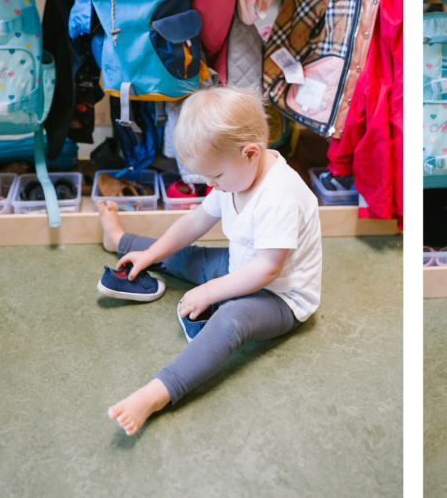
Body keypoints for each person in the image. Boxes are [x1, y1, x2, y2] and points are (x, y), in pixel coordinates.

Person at [98, 86, 322, 436]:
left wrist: (210, 292)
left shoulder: (280, 197)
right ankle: (119, 239)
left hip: (281, 297)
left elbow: (268, 269)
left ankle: (158, 392)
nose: (209, 184)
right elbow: (193, 223)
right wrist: (152, 254)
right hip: (241, 265)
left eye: (214, 176)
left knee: (231, 319)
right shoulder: (233, 176)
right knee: (184, 254)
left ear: (250, 153)